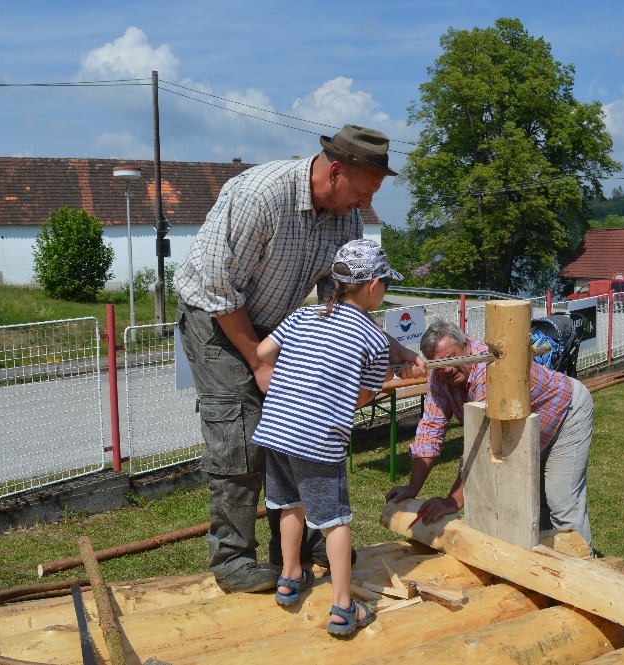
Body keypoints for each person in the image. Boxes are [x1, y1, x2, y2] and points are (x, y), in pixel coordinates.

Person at [174, 124, 425, 593]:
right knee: (241, 434)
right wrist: (258, 361)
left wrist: (396, 351)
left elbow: (345, 310)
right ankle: (232, 559)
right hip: (216, 318)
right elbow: (218, 288)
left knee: (294, 430)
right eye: (364, 192)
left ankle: (298, 542)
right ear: (335, 172)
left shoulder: (346, 220)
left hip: (276, 323)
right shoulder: (261, 196)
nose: (364, 205)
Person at [253, 239, 400, 636]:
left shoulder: (303, 317)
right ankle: (342, 606)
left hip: (277, 428)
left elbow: (265, 352)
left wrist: (301, 375)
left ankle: (289, 576)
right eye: (385, 282)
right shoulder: (373, 339)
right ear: (371, 286)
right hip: (318, 437)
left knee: (288, 504)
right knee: (335, 520)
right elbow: (365, 396)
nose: (385, 289)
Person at [385, 319, 594, 547]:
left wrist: (453, 501)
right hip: (526, 432)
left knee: (561, 501)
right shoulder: (439, 377)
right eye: (438, 363)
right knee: (532, 504)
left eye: (452, 358)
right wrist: (413, 488)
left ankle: (586, 567)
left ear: (466, 345)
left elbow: (482, 443)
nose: (446, 368)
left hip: (566, 413)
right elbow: (429, 431)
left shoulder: (488, 367)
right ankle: (547, 569)